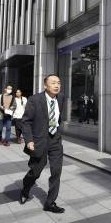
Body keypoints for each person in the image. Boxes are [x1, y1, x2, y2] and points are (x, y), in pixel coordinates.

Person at [19, 74, 65, 213]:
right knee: (35, 172)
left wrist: (56, 131)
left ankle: (50, 203)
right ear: (45, 85)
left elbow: (58, 117)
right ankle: (25, 189)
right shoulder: (35, 100)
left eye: (58, 82)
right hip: (39, 140)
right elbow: (26, 121)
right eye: (53, 83)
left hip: (55, 139)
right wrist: (29, 140)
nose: (56, 85)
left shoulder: (61, 98)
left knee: (56, 171)